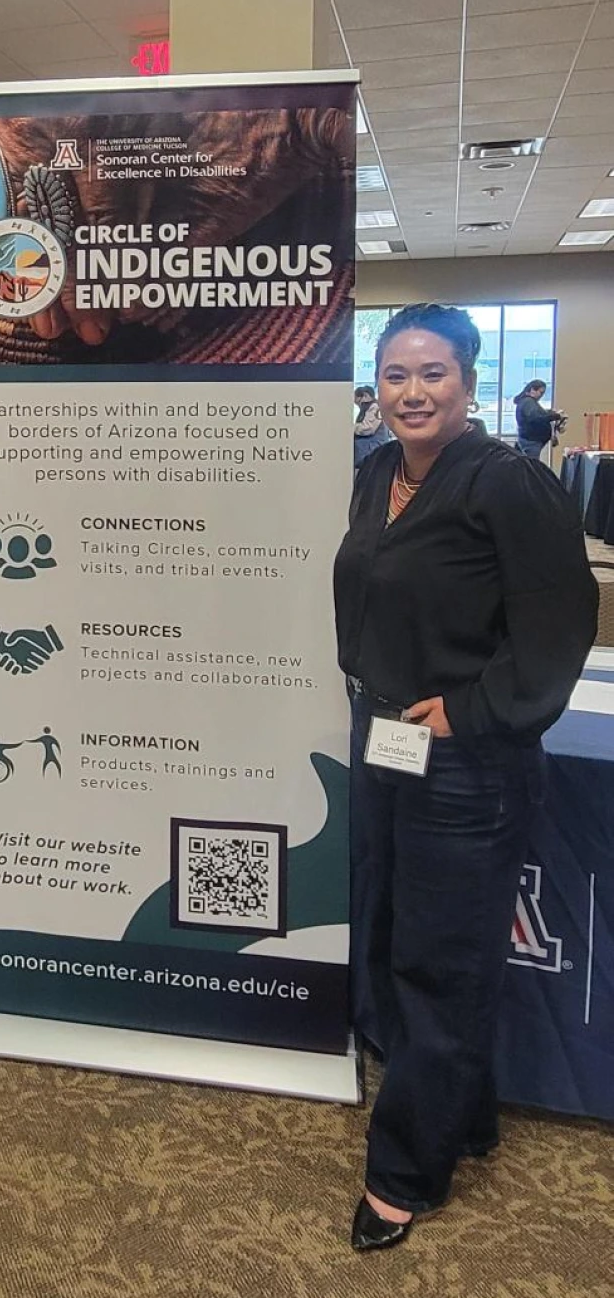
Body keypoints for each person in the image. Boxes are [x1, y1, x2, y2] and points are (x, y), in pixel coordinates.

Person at [333, 303, 596, 1251]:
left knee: (440, 966)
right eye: (397, 373)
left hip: (466, 766)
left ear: (470, 382)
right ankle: (463, 1114)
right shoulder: (377, 473)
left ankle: (405, 1172)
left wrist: (473, 711)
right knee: (398, 936)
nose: (412, 391)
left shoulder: (510, 483)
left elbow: (560, 626)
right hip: (384, 741)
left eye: (432, 373)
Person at [513, 380, 565, 460]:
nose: (541, 395)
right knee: (532, 466)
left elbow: (537, 415)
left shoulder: (527, 402)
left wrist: (549, 413)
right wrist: (554, 416)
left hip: (531, 440)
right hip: (531, 441)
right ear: (532, 390)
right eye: (540, 392)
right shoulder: (528, 402)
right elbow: (536, 417)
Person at [353, 384, 391, 471]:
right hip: (367, 453)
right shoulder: (369, 408)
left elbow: (367, 428)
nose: (359, 405)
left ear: (365, 395)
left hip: (371, 451)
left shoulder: (375, 407)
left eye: (358, 401)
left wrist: (350, 428)